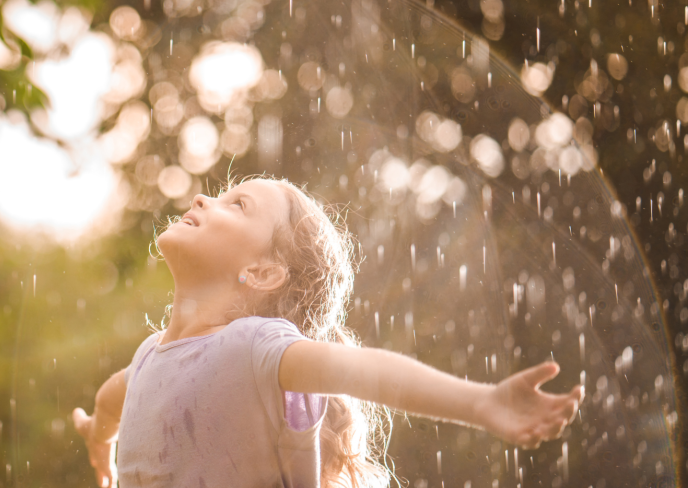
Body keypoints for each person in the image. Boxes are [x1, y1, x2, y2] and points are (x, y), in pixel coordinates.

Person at [71, 177, 583, 488]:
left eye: (238, 205)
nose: (205, 198)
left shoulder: (254, 348)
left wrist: (480, 402)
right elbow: (110, 400)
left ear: (265, 273)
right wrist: (99, 438)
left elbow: (367, 373)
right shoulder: (146, 360)